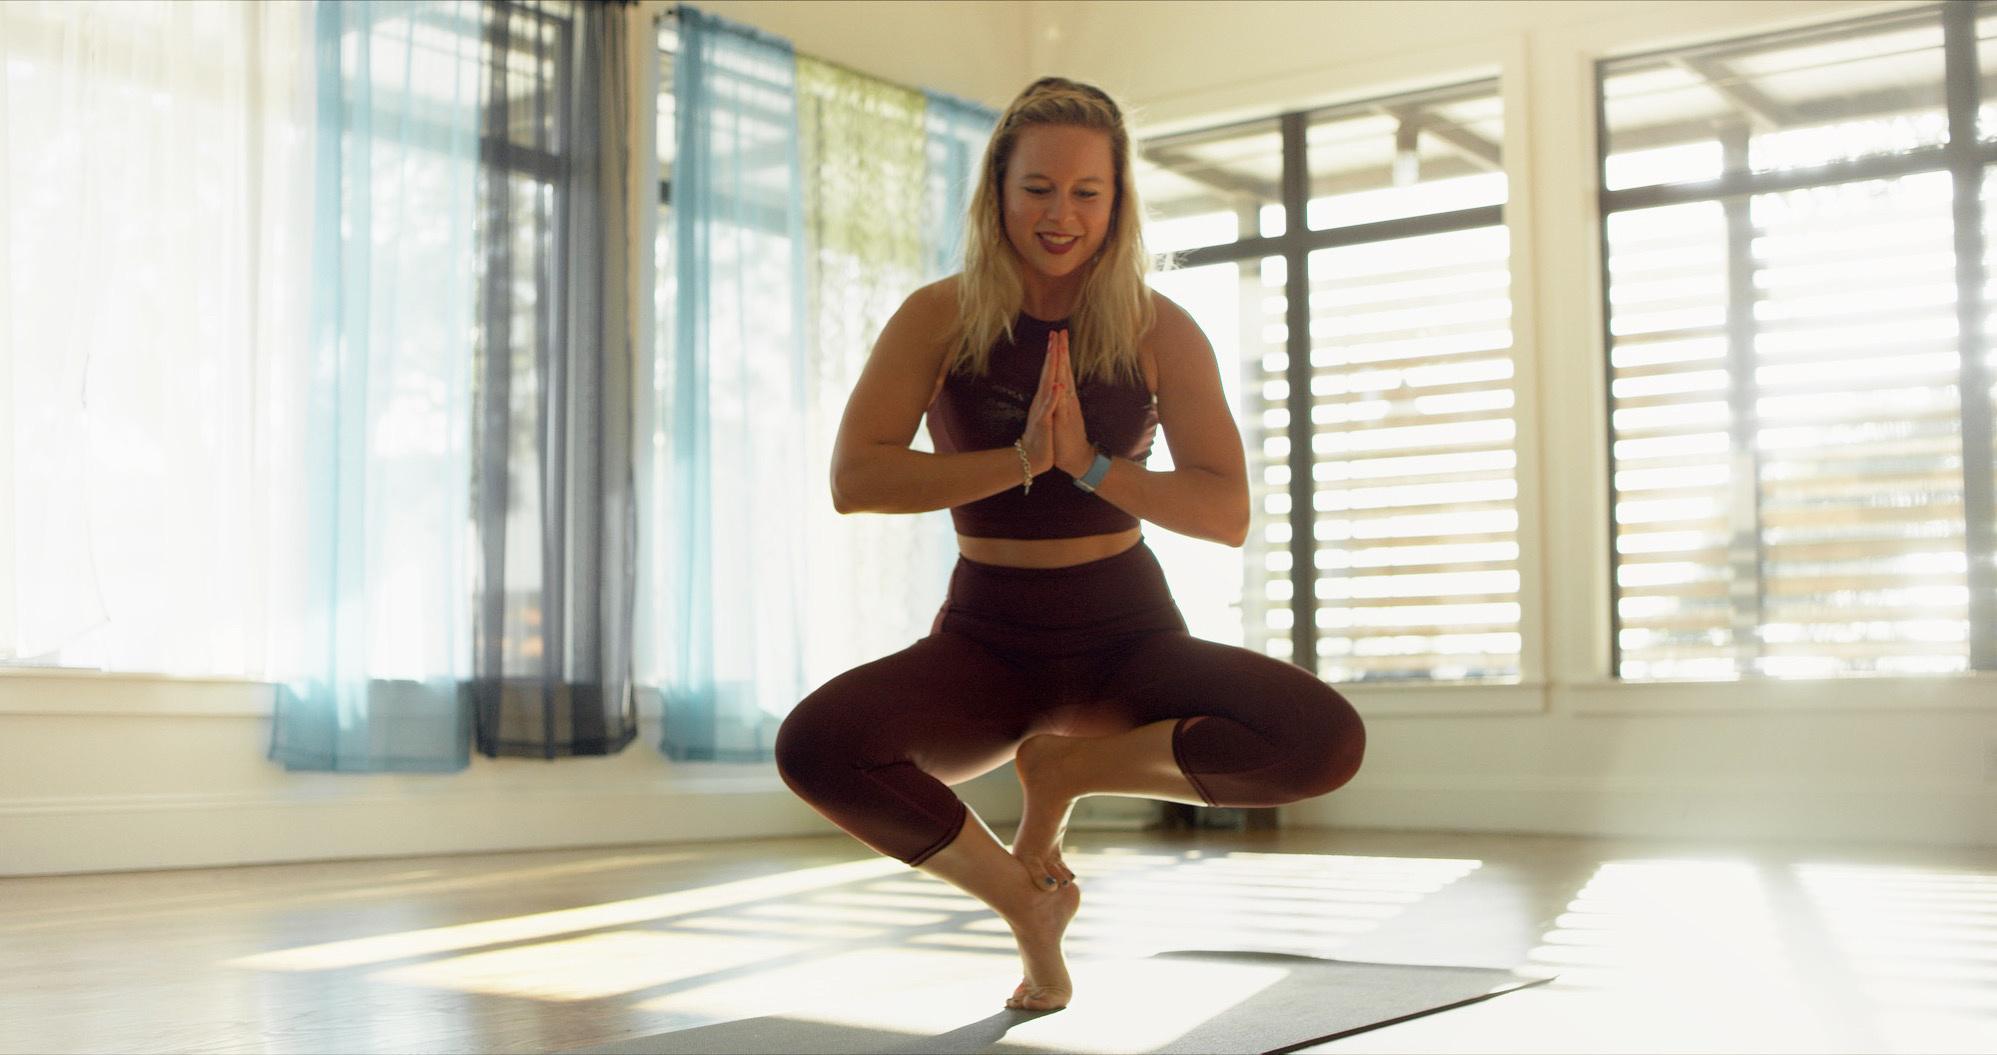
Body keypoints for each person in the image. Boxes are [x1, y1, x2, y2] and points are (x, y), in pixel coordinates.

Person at [774, 76, 1365, 1012]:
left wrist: (1089, 466)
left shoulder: (1158, 327)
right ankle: (1023, 899)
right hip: (986, 641)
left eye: (1087, 191)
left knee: (1321, 741)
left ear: (1117, 201)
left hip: (1126, 634)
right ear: (997, 192)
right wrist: (1017, 460)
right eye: (1038, 188)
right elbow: (858, 480)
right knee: (815, 746)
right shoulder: (939, 315)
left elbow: (1224, 512)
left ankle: (1069, 767)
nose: (1061, 215)